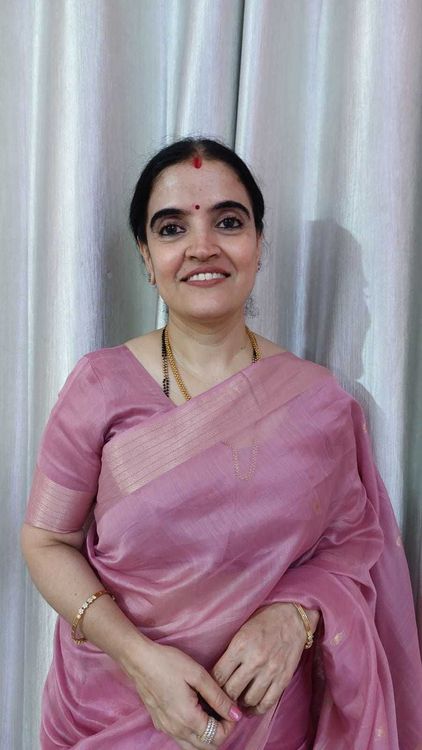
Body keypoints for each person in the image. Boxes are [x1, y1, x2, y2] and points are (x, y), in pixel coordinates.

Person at [22, 136, 422, 750]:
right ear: (146, 256)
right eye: (172, 228)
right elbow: (47, 541)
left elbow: (350, 554)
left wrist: (296, 616)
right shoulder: (99, 386)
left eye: (228, 222)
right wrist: (138, 660)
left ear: (259, 243)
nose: (202, 246)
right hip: (110, 713)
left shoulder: (319, 405)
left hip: (268, 721)